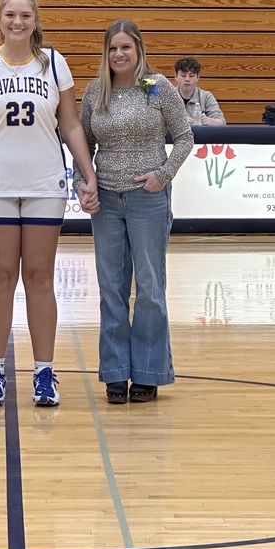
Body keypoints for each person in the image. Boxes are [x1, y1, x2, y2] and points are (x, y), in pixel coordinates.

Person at [0, 0, 99, 409]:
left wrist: (86, 171)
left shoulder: (55, 64)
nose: (17, 23)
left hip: (44, 185)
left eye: (26, 16)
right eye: (10, 15)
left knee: (40, 278)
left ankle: (44, 373)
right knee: (0, 279)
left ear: (36, 21)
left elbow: (71, 126)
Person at [74, 20, 193, 405]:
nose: (119, 55)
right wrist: (83, 185)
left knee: (150, 289)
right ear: (105, 53)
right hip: (106, 200)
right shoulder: (96, 92)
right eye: (113, 49)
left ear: (139, 49)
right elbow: (82, 148)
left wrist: (163, 174)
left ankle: (148, 371)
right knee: (111, 289)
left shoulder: (155, 86)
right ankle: (114, 373)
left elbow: (185, 137)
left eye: (126, 47)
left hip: (147, 198)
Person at [173, 56, 226, 125]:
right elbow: (157, 125)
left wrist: (210, 121)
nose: (187, 79)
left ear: (198, 77)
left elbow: (222, 123)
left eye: (191, 75)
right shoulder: (167, 97)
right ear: (176, 77)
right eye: (183, 75)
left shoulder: (206, 97)